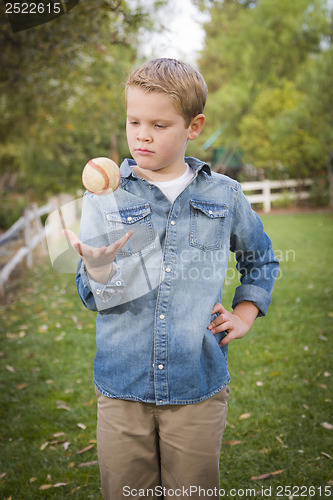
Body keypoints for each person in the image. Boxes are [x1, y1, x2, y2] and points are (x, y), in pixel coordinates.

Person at [65, 58, 279, 499]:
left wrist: (245, 312)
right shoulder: (106, 195)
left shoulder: (223, 194)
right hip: (123, 388)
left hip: (196, 385)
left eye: (159, 124)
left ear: (193, 126)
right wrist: (98, 266)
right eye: (134, 121)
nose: (142, 134)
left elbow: (260, 257)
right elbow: (91, 296)